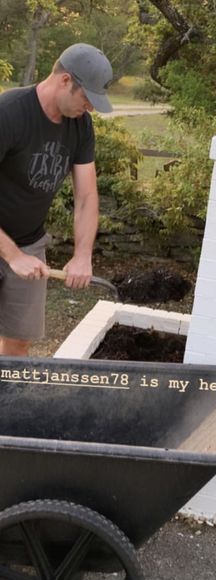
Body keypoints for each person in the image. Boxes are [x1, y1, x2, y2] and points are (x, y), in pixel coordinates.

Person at [0, 43, 113, 357]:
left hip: (29, 243)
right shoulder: (9, 113)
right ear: (65, 81)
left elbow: (87, 195)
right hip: (9, 246)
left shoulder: (80, 125)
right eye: (87, 98)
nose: (89, 108)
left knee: (19, 339)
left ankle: (6, 402)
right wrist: (11, 256)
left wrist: (82, 255)